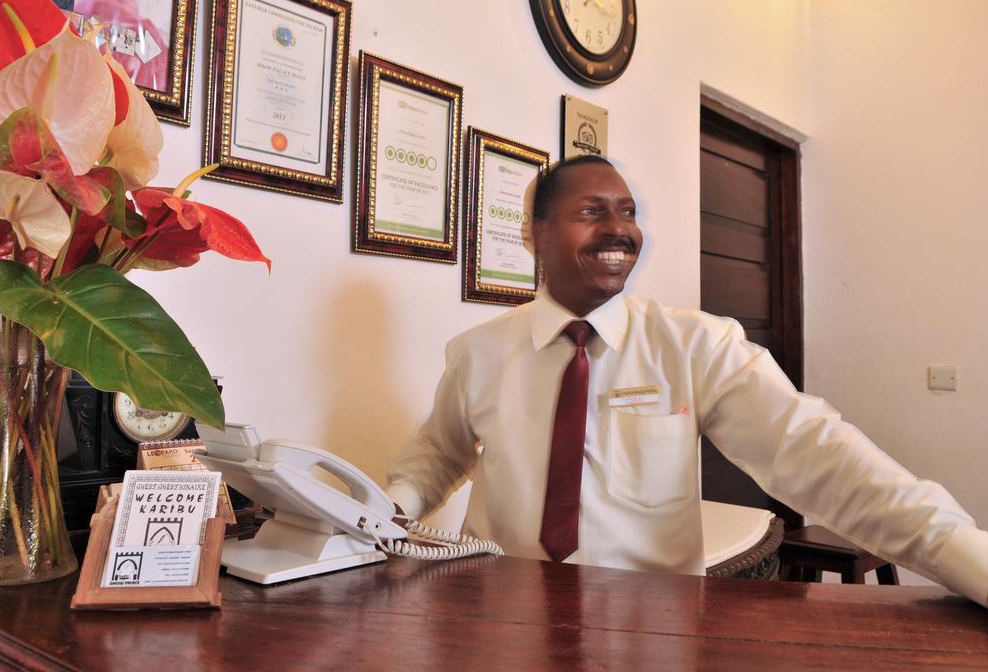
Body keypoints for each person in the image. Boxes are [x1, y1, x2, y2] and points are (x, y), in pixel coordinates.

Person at [385, 155, 987, 607]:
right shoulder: (477, 353)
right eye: (593, 212)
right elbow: (438, 452)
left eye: (628, 212)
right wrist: (382, 514)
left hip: (651, 635)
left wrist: (964, 556)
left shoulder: (698, 345)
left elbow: (818, 452)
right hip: (500, 629)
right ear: (534, 235)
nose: (620, 229)